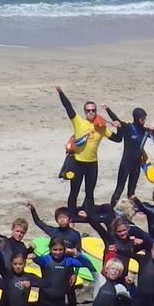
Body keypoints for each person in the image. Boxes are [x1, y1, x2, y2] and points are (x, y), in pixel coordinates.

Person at [55, 87, 109, 217]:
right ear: (85, 112)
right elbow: (68, 107)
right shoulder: (79, 122)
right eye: (88, 110)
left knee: (90, 192)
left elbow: (118, 139)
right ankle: (72, 216)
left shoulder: (101, 127)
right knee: (74, 191)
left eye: (93, 110)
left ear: (96, 111)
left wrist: (119, 124)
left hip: (92, 165)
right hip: (77, 163)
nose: (91, 112)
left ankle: (89, 214)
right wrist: (61, 92)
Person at [105, 106, 154, 202]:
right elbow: (116, 120)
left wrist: (153, 129)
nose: (144, 120)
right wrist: (107, 109)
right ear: (137, 118)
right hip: (126, 163)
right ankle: (111, 210)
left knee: (132, 191)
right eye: (143, 118)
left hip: (137, 164)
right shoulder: (128, 127)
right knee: (119, 189)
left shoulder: (145, 131)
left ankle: (130, 209)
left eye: (145, 118)